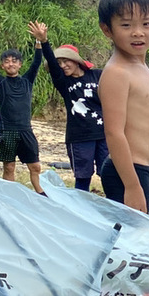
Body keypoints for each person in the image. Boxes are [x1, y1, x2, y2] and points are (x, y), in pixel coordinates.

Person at [97, 0, 149, 213]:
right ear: (107, 30)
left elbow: (145, 129)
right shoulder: (117, 73)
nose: (138, 32)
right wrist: (132, 185)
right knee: (124, 243)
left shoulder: (143, 68)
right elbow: (114, 133)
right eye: (126, 25)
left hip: (143, 169)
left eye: (146, 24)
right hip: (125, 171)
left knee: (133, 242)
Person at [31, 23, 107, 192]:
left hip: (104, 134)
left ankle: (114, 210)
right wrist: (44, 41)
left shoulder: (98, 75)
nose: (63, 65)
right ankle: (80, 211)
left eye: (66, 61)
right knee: (83, 178)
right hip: (79, 136)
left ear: (76, 61)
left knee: (109, 174)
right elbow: (50, 59)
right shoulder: (64, 82)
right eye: (59, 63)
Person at [0, 21, 45, 194]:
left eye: (14, 61)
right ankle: (9, 196)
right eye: (7, 62)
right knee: (9, 167)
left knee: (35, 166)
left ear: (20, 64)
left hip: (26, 130)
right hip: (6, 131)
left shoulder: (27, 81)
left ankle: (41, 193)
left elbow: (37, 62)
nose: (10, 64)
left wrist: (39, 41)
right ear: (2, 65)